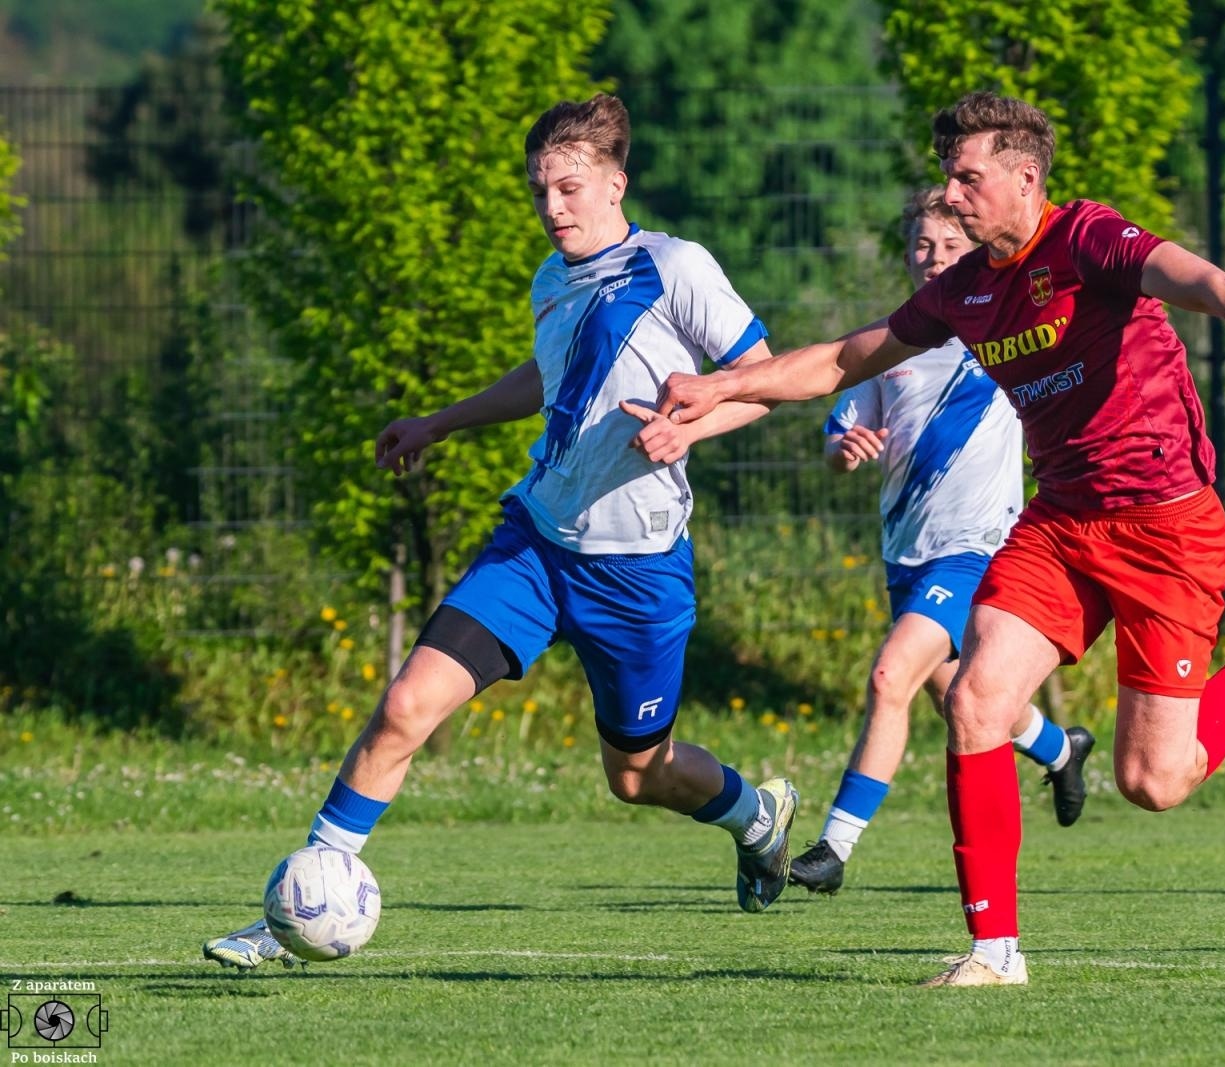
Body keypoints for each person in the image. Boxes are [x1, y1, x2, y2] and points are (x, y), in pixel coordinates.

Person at [656, 91, 1225, 987]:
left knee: (1155, 780)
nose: (951, 194)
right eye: (948, 176)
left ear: (1026, 176)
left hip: (1167, 529)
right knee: (977, 699)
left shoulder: (1088, 239)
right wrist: (723, 389)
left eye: (968, 176)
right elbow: (844, 359)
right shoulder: (965, 290)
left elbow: (1203, 283)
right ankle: (995, 952)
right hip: (1063, 520)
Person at [204, 93, 799, 969]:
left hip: (638, 572)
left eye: (568, 187)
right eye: (539, 192)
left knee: (639, 776)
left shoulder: (676, 267)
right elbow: (548, 376)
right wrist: (440, 421)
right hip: (537, 542)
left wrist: (689, 427)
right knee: (406, 706)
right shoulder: (552, 279)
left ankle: (757, 814)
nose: (552, 208)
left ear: (614, 184)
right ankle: (295, 913)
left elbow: (764, 378)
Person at [788, 187, 1095, 896]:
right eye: (922, 246)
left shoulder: (1004, 336)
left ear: (979, 249)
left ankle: (834, 847)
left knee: (890, 675)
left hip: (979, 546)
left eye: (950, 246)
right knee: (961, 696)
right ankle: (1059, 747)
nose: (934, 258)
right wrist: (846, 447)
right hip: (907, 552)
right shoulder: (891, 343)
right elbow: (840, 433)